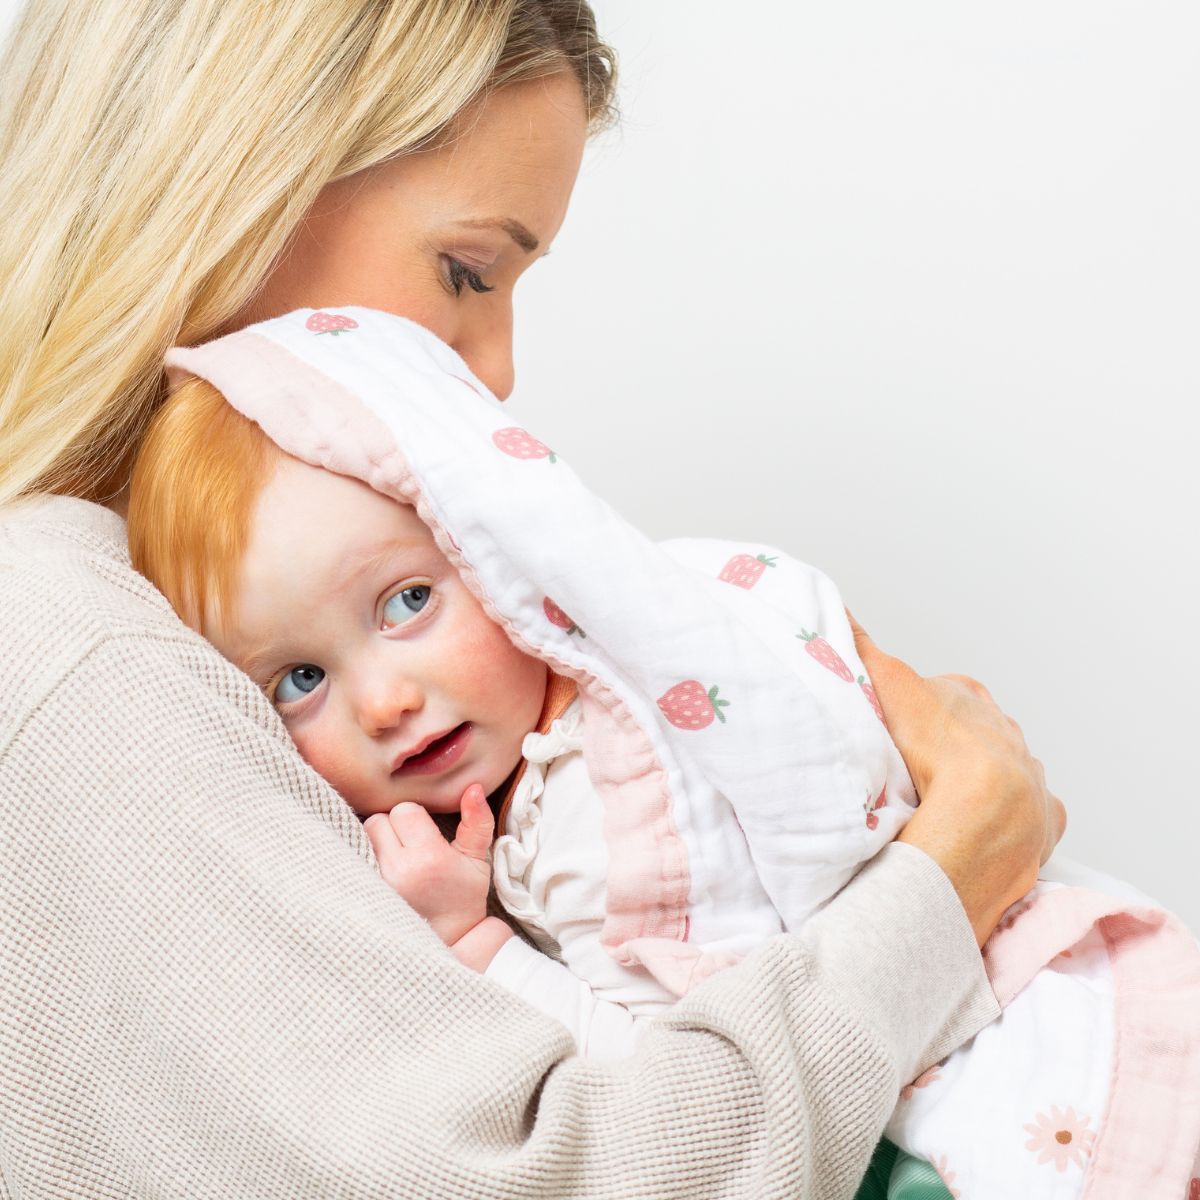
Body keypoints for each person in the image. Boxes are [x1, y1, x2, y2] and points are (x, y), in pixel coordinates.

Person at [0, 2, 1065, 1197]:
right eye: (468, 272)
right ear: (235, 186)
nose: (495, 368)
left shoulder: (133, 628)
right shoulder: (82, 649)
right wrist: (955, 868)